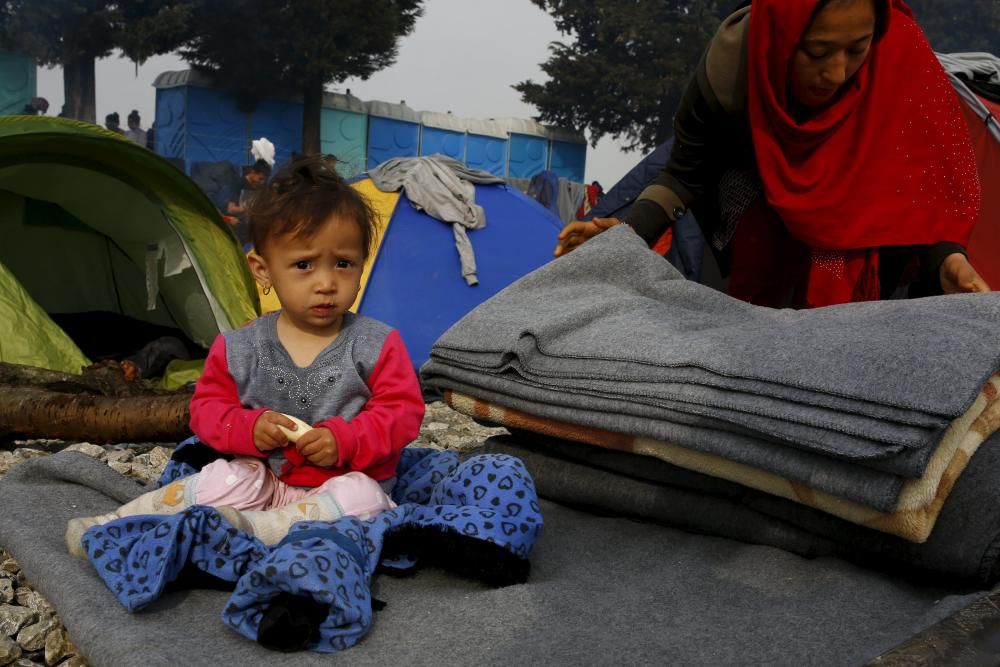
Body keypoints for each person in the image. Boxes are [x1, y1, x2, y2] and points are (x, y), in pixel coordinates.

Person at [66, 154, 426, 555]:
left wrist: (346, 439)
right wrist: (247, 429)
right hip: (263, 478)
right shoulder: (240, 347)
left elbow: (401, 413)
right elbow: (207, 409)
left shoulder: (377, 343)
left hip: (337, 487)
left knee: (365, 496)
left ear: (362, 264)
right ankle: (119, 522)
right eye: (304, 265)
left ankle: (261, 531)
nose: (326, 283)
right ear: (262, 269)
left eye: (343, 264)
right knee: (224, 478)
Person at [554, 0, 990, 308]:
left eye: (857, 49)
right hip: (762, 237)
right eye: (817, 52)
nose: (837, 73)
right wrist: (624, 236)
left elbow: (921, 191)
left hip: (864, 266)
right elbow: (684, 174)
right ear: (780, 36)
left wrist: (947, 260)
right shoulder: (733, 68)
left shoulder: (899, 58)